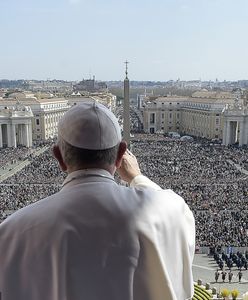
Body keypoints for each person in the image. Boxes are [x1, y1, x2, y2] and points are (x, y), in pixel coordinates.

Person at [0, 101, 195, 300]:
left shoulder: (12, 231)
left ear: (58, 157)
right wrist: (137, 178)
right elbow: (171, 207)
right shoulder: (171, 211)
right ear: (121, 155)